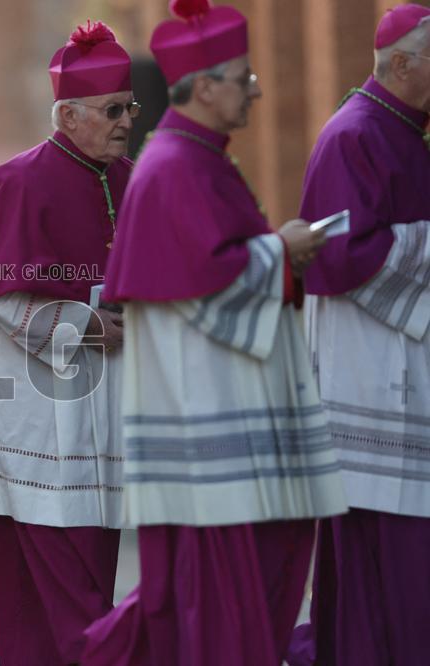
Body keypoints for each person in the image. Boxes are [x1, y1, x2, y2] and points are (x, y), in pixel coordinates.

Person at [80, 2, 347, 664]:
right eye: (244, 78)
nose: (256, 90)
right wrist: (281, 250)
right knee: (209, 604)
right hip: (207, 432)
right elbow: (201, 288)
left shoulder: (202, 158)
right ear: (205, 87)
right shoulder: (174, 166)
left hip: (229, 418)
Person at [0, 20, 134, 665]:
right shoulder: (21, 180)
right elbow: (1, 294)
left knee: (95, 562)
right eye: (112, 110)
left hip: (108, 403)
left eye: (129, 108)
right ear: (67, 114)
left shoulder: (129, 177)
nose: (125, 122)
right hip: (41, 412)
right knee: (49, 577)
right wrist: (83, 325)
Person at [286, 5, 430, 666]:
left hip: (398, 373)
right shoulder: (356, 134)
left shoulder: (404, 127)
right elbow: (341, 257)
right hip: (372, 381)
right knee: (392, 553)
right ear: (400, 65)